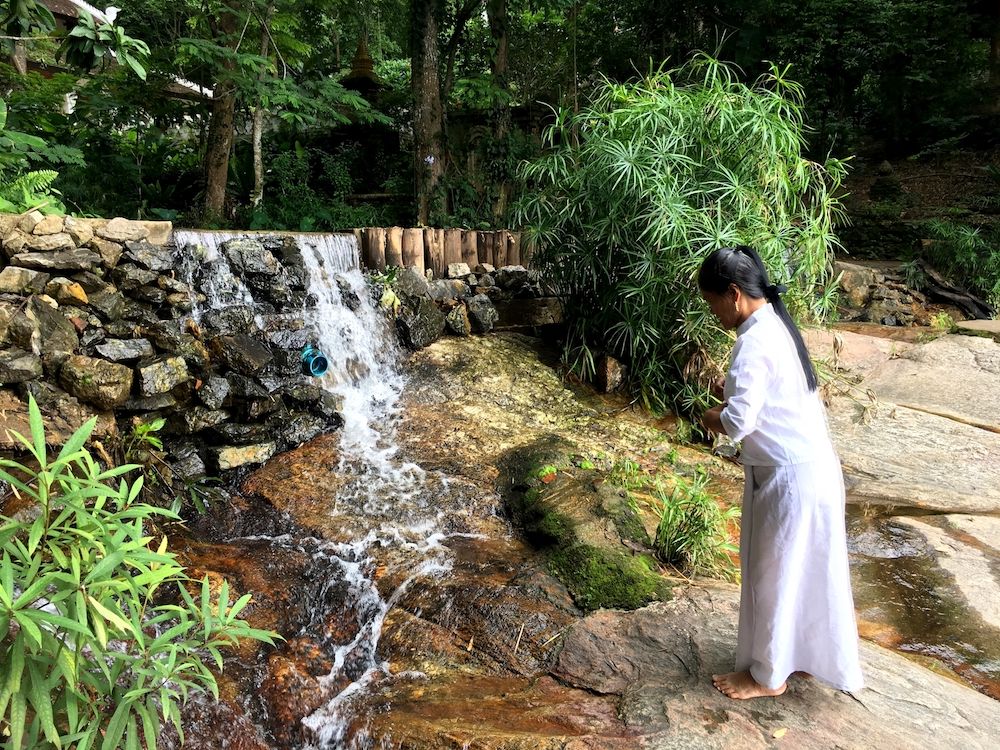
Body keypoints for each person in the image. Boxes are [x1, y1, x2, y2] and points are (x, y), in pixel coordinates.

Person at [698, 245, 863, 700]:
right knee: (809, 572)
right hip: (813, 470)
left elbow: (737, 423)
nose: (713, 314)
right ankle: (804, 658)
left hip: (787, 479)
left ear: (733, 295)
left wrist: (711, 416)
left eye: (713, 304)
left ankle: (765, 676)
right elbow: (771, 396)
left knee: (771, 576)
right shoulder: (777, 325)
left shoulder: (753, 341)